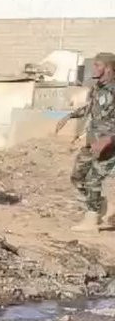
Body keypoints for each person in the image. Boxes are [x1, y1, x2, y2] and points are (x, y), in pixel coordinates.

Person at [57, 52, 115, 232]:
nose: (93, 68)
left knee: (93, 179)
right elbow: (90, 108)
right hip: (92, 142)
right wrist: (69, 116)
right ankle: (101, 206)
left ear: (108, 68)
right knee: (78, 177)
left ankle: (91, 220)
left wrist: (108, 139)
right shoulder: (98, 88)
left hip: (109, 145)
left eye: (97, 65)